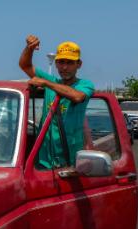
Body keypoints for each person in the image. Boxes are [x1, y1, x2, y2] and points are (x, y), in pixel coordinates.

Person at [19, 35, 94, 169]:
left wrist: (46, 83)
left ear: (79, 64)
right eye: (61, 62)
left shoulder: (85, 84)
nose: (64, 67)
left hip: (70, 161)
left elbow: (77, 96)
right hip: (44, 160)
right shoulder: (52, 81)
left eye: (70, 63)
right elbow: (25, 65)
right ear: (56, 63)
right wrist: (29, 48)